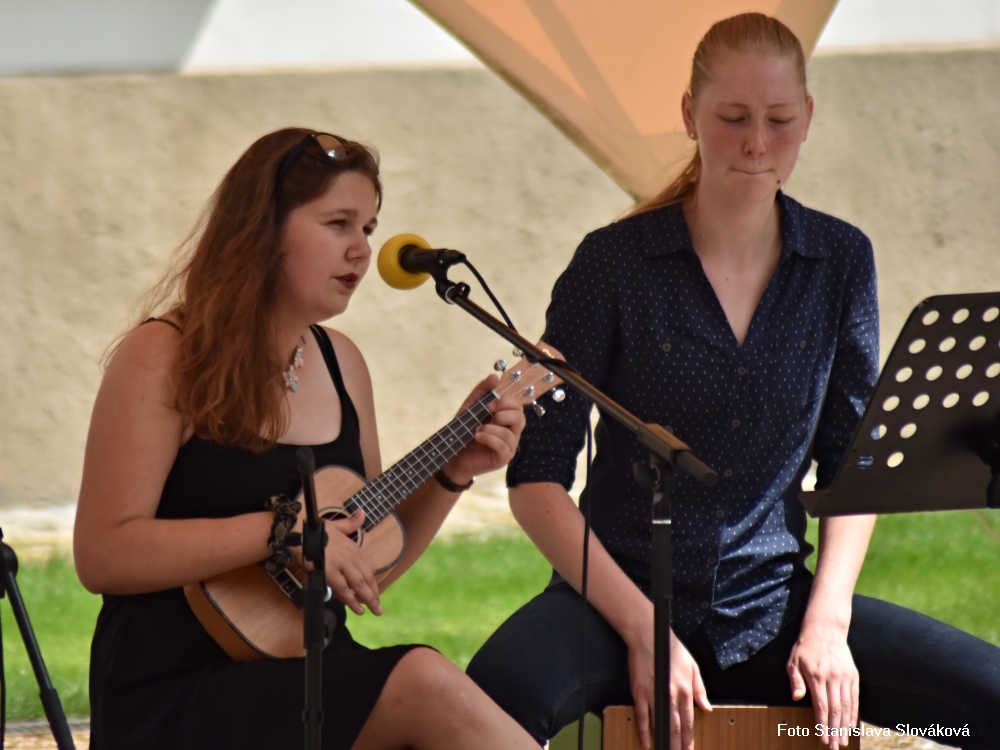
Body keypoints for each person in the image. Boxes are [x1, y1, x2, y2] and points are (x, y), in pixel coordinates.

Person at [466, 13, 1000, 750]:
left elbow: (853, 465)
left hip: (775, 606)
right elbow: (536, 480)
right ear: (690, 114)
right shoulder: (610, 263)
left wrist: (828, 624)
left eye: (779, 120)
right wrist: (644, 632)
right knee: (488, 702)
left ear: (807, 117)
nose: (756, 142)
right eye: (732, 117)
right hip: (613, 604)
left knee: (985, 704)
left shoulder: (841, 259)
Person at [73, 127, 539, 750]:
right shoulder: (163, 355)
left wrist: (454, 473)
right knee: (423, 680)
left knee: (422, 691)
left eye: (368, 228)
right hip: (174, 689)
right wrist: (281, 532)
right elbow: (103, 553)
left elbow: (364, 567)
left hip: (305, 668)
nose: (361, 250)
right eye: (338, 224)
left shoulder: (343, 363)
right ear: (262, 230)